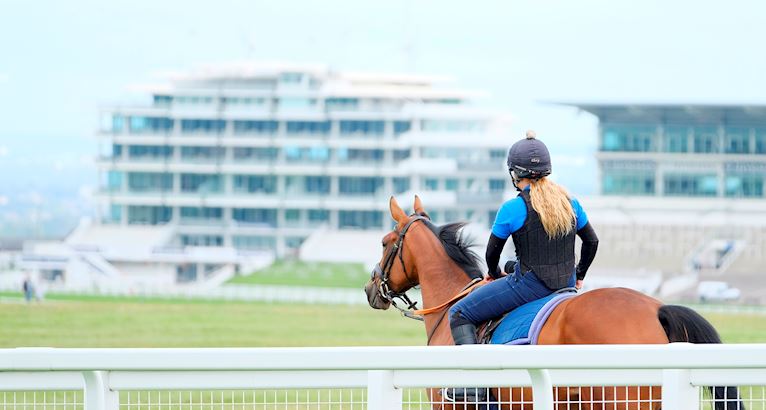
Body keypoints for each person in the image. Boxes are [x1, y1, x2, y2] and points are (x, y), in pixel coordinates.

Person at [448, 130, 600, 346]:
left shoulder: (512, 208)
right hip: (566, 284)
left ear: (514, 174)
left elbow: (492, 254)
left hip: (529, 286)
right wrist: (579, 274)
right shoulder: (571, 202)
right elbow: (592, 242)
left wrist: (493, 273)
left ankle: (474, 380)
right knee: (513, 265)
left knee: (459, 312)